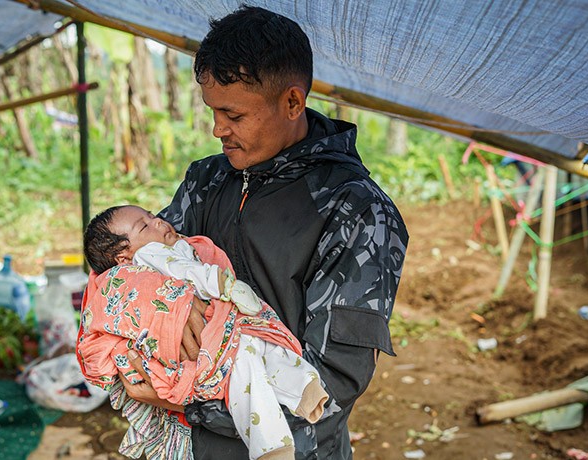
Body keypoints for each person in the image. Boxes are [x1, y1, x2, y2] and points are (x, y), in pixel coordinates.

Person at [122, 5, 409, 460]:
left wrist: (184, 398)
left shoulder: (354, 210)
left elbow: (330, 385)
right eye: (213, 111)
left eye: (234, 115)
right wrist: (168, 310)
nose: (218, 129)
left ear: (292, 102)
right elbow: (128, 266)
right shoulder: (207, 181)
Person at [78, 204, 328, 460]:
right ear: (123, 258)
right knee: (245, 357)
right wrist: (223, 284)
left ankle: (298, 394)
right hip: (206, 332)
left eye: (153, 216)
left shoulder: (176, 244)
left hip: (213, 329)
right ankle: (273, 442)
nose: (160, 223)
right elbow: (187, 271)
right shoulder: (150, 254)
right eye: (144, 226)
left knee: (251, 352)